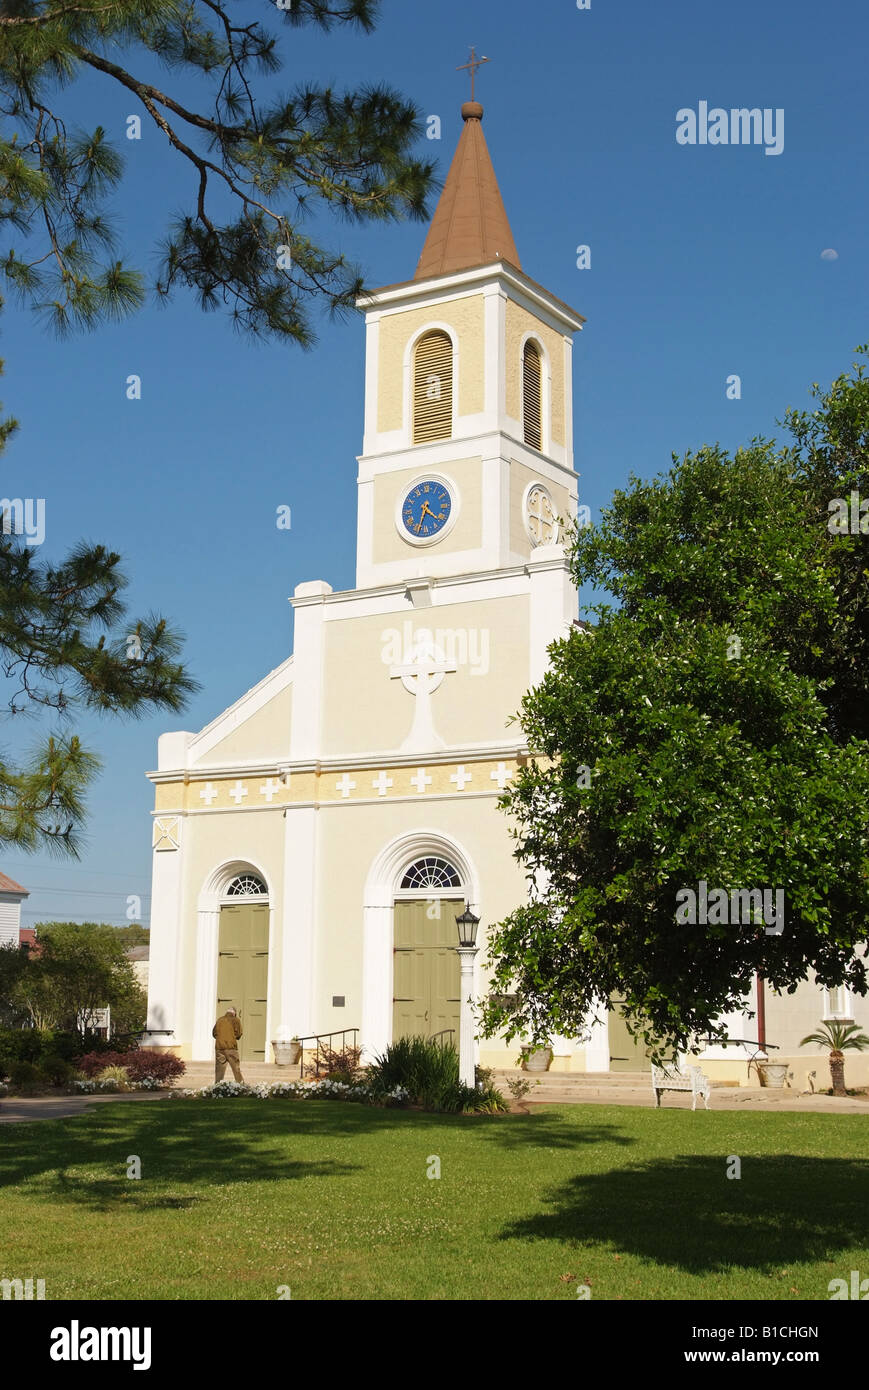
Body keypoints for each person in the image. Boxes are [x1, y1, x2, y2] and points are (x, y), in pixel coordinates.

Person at [213, 1007, 244, 1083]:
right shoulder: (236, 1020)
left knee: (219, 1071)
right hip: (231, 1048)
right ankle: (241, 1086)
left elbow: (214, 1033)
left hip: (219, 1048)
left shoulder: (219, 1020)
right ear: (234, 1013)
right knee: (236, 1069)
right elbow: (239, 1034)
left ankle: (217, 1088)